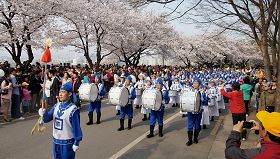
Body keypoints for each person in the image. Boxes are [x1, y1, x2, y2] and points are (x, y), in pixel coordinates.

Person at [38, 82, 83, 159]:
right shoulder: (56, 105)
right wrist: (44, 113)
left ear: (69, 94)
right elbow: (47, 118)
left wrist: (77, 142)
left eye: (63, 92)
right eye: (60, 92)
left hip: (67, 143)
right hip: (56, 141)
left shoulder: (73, 110)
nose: (60, 94)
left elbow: (76, 127)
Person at [186, 78, 204, 146]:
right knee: (190, 126)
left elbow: (205, 101)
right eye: (194, 83)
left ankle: (195, 138)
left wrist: (203, 99)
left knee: (197, 126)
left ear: (199, 84)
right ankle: (190, 140)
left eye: (196, 83)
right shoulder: (190, 90)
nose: (195, 85)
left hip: (198, 112)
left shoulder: (202, 92)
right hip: (190, 111)